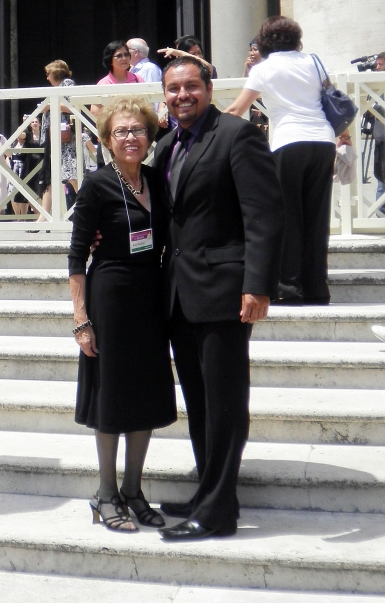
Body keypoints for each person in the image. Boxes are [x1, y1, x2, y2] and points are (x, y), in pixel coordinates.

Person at [152, 56, 285, 540]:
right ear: (163, 95)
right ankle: (209, 492)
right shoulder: (166, 146)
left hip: (226, 292)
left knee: (225, 402)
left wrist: (258, 284)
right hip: (180, 295)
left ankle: (217, 514)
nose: (182, 95)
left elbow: (264, 215)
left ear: (208, 88)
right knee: (199, 402)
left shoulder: (236, 135)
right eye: (173, 89)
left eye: (191, 86)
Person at [68, 96, 176, 533]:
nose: (130, 138)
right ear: (108, 141)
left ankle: (134, 490)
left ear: (150, 136)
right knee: (111, 395)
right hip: (109, 296)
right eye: (121, 132)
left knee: (147, 393)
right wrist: (81, 318)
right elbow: (77, 255)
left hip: (151, 295)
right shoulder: (97, 184)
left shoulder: (156, 178)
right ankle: (106, 493)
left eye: (138, 130)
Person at [225, 16, 336, 305]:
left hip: (289, 142)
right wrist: (344, 135)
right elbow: (331, 97)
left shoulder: (264, 68)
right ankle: (317, 288)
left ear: (264, 42)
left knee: (288, 217)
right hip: (323, 141)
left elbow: (238, 108)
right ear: (296, 38)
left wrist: (208, 125)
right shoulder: (314, 61)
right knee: (317, 217)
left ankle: (290, 287)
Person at [35, 60, 78, 226]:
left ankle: (88, 209)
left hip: (65, 140)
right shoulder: (57, 88)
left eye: (48, 74)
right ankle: (43, 217)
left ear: (56, 73)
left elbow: (73, 106)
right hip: (54, 138)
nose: (47, 78)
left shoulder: (68, 84)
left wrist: (50, 106)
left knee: (72, 176)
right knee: (50, 178)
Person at [91, 41, 144, 166]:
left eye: (126, 54)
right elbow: (94, 111)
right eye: (119, 56)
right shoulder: (103, 83)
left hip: (136, 136)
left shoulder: (138, 79)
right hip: (112, 137)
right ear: (110, 60)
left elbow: (145, 106)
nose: (124, 58)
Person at [372, 52, 385, 213]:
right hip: (381, 137)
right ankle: (380, 213)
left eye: (380, 65)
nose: (377, 68)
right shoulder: (374, 87)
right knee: (381, 178)